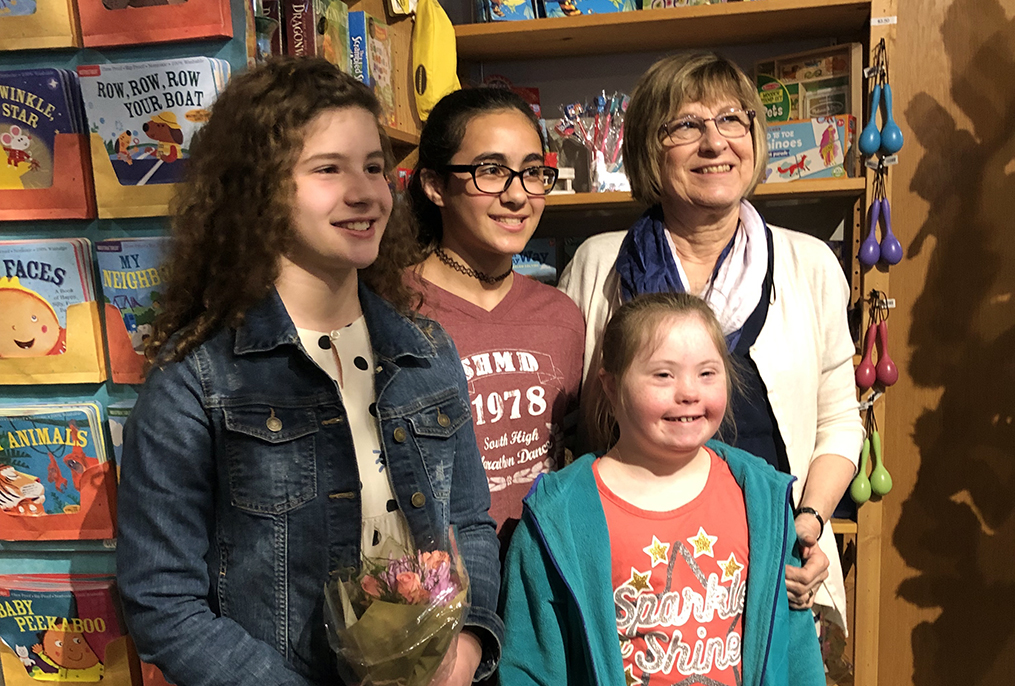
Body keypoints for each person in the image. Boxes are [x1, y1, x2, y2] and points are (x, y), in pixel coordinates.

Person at [115, 58, 502, 686]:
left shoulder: (427, 352)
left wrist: (466, 650)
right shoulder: (199, 380)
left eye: (375, 167)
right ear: (260, 190)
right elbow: (162, 600)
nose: (366, 192)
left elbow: (470, 525)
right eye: (328, 169)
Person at [557, 52, 863, 629]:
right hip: (637, 573)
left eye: (732, 120)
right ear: (650, 146)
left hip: (778, 560)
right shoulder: (599, 264)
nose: (715, 142)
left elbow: (840, 422)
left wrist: (810, 524)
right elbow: (571, 424)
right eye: (685, 125)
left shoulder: (810, 264)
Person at [499, 292, 825, 686]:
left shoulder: (760, 498)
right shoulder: (558, 518)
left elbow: (797, 648)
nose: (689, 391)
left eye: (707, 373)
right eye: (663, 375)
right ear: (611, 384)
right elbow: (529, 666)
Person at [406, 88, 584, 549]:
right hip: (437, 590)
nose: (517, 196)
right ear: (434, 185)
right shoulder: (391, 308)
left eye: (531, 172)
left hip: (542, 574)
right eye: (491, 171)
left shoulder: (561, 315)